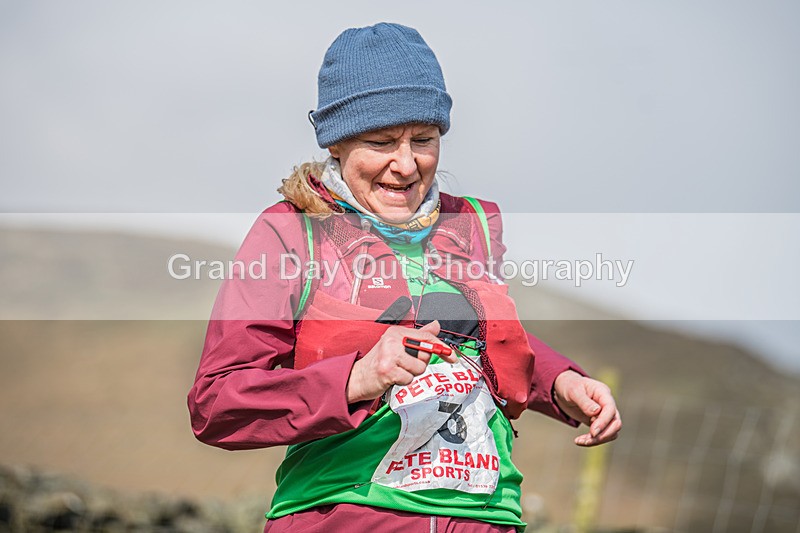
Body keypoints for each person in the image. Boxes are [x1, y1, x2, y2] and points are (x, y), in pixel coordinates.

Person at [188, 22, 621, 532]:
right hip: (347, 516)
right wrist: (356, 378)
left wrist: (562, 382)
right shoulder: (290, 233)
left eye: (424, 139)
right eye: (380, 141)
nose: (406, 164)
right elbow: (217, 403)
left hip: (487, 518)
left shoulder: (470, 226)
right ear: (336, 145)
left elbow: (478, 340)